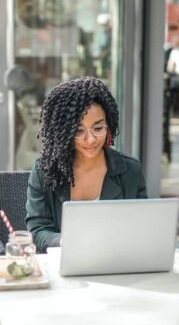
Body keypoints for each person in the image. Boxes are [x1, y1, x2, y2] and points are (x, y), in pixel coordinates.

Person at [26, 76, 147, 253]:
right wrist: (66, 241)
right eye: (78, 131)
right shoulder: (45, 171)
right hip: (64, 265)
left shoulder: (130, 171)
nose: (90, 140)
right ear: (63, 133)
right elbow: (37, 232)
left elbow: (142, 230)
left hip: (117, 264)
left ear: (109, 126)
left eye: (98, 128)